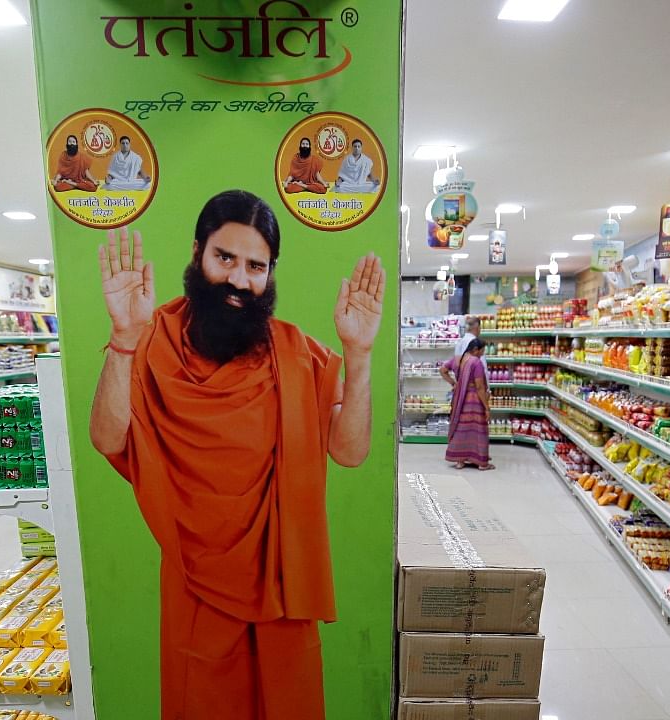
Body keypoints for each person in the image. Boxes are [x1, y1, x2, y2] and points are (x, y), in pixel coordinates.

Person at [89, 190, 384, 720]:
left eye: (256, 266)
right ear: (198, 251)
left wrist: (358, 356)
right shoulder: (150, 339)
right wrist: (122, 337)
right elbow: (108, 437)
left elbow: (350, 451)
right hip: (194, 588)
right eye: (225, 258)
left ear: (270, 274)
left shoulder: (298, 355)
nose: (239, 281)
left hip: (280, 587)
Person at [440, 338, 493, 470]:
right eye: (482, 351)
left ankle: (460, 461)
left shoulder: (458, 359)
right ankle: (481, 463)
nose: (482, 354)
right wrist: (486, 407)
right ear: (475, 350)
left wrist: (453, 383)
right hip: (474, 400)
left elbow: (442, 370)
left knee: (461, 428)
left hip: (459, 400)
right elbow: (480, 387)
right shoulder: (476, 362)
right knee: (478, 429)